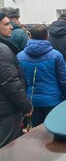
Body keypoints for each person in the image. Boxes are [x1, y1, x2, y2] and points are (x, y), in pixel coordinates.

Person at [17, 24, 66, 127]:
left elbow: (20, 81)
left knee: (37, 135)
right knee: (53, 131)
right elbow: (64, 80)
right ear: (47, 36)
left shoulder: (20, 56)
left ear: (30, 36)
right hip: (53, 100)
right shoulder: (56, 55)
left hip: (32, 101)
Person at [0, 12, 32, 148]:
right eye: (6, 24)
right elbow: (10, 82)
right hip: (6, 110)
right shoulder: (2, 50)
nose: (11, 27)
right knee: (7, 149)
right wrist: (26, 106)